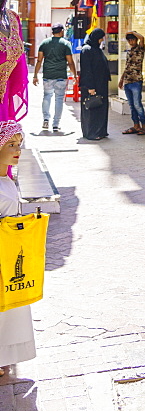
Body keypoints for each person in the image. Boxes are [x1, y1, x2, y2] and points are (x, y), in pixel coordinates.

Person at [0, 122, 35, 377]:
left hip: (10, 253)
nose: (17, 150)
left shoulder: (8, 180)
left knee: (10, 308)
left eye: (19, 145)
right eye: (10, 144)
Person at [33, 23, 77, 133]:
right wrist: (75, 74)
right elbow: (70, 62)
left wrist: (35, 75)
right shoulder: (66, 44)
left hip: (48, 75)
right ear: (61, 31)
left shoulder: (44, 43)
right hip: (61, 76)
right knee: (59, 99)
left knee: (47, 96)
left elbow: (39, 60)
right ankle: (56, 124)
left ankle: (46, 119)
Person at [79, 28, 111, 140]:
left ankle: (101, 131)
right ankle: (92, 132)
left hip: (101, 85)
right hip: (92, 85)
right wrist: (90, 87)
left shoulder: (97, 50)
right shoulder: (87, 50)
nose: (102, 40)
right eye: (101, 38)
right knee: (92, 109)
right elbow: (86, 70)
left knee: (100, 108)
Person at [119, 30, 145, 135]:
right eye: (129, 40)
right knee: (131, 105)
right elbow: (127, 67)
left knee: (137, 104)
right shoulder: (129, 52)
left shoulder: (140, 49)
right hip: (127, 81)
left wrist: (132, 32)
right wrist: (122, 79)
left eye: (132, 40)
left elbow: (142, 38)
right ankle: (136, 125)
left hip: (136, 81)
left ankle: (144, 125)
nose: (131, 42)